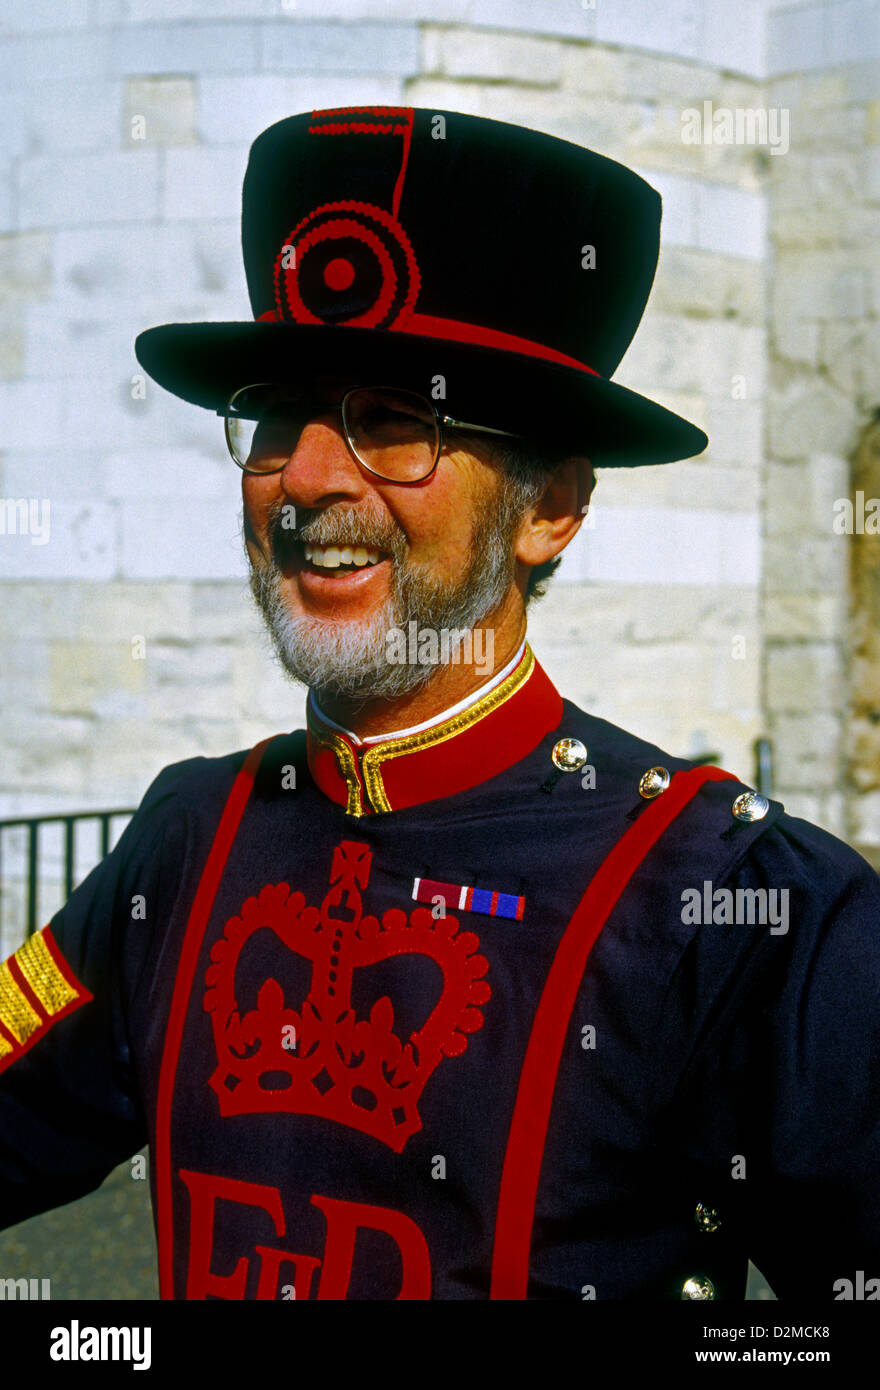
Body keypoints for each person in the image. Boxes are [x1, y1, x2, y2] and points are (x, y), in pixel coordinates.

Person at [1, 106, 878, 1302]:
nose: (309, 478)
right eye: (277, 415)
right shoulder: (187, 838)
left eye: (395, 422)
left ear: (549, 507)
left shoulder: (744, 908)